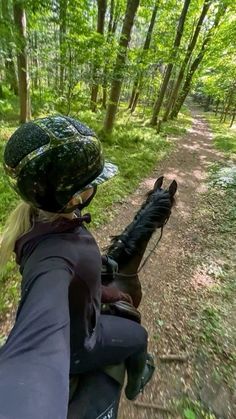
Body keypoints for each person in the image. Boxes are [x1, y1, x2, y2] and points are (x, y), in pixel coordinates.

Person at [0, 115, 155, 419]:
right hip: (81, 346)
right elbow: (36, 349)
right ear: (75, 196)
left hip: (79, 315)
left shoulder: (39, 223)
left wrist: (105, 292)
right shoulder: (55, 261)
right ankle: (136, 383)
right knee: (139, 337)